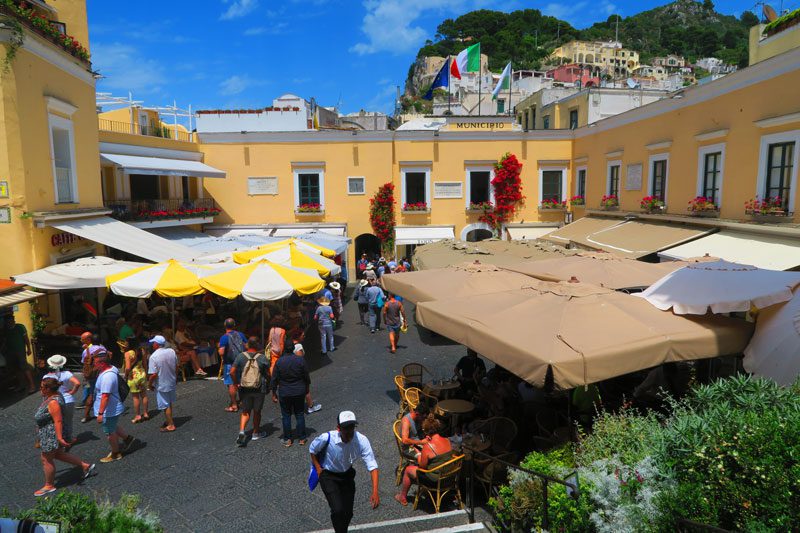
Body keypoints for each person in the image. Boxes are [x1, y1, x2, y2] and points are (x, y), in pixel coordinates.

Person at [310, 411, 380, 532]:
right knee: (337, 510)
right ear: (338, 428)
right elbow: (312, 449)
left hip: (347, 475)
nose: (349, 431)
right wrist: (318, 468)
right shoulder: (327, 438)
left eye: (351, 427)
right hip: (328, 476)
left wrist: (375, 491)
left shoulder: (361, 440)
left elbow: (372, 465)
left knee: (348, 513)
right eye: (345, 428)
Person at [33, 378, 95, 496]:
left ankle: (49, 485)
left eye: (42, 387)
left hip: (50, 435)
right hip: (49, 433)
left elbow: (58, 421)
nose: (40, 389)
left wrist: (60, 438)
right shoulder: (54, 396)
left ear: (48, 389)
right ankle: (85, 466)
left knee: (46, 459)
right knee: (58, 454)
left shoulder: (53, 402)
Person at [395, 414, 453, 506]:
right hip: (450, 476)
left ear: (426, 432)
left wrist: (418, 453)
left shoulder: (428, 446)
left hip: (436, 480)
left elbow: (422, 466)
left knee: (408, 470)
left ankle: (402, 497)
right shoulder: (447, 440)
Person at [93, 348, 135, 462]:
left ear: (102, 363)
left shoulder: (107, 377)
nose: (93, 364)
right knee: (113, 425)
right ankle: (127, 439)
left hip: (109, 409)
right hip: (112, 407)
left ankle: (116, 453)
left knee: (109, 432)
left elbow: (105, 396)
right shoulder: (111, 369)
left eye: (95, 362)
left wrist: (100, 413)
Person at [230, 337, 269, 446]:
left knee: (245, 411)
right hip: (259, 388)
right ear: (257, 345)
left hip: (244, 388)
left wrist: (236, 383)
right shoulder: (262, 358)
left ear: (247, 345)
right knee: (257, 411)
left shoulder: (240, 356)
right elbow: (268, 373)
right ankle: (256, 433)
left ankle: (242, 431)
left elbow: (232, 372)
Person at [270, 342, 310, 447]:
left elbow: (274, 379)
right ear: (293, 349)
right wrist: (307, 388)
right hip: (299, 391)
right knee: (299, 413)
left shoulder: (279, 362)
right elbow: (306, 376)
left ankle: (287, 439)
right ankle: (302, 438)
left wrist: (274, 393)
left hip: (285, 392)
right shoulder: (300, 360)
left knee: (286, 415)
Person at [42, 355, 80, 446]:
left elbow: (43, 392)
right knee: (68, 421)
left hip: (54, 401)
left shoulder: (46, 377)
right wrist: (71, 392)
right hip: (68, 400)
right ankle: (68, 439)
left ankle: (57, 439)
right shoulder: (67, 373)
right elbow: (77, 383)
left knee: (55, 421)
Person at [147, 335, 178, 432]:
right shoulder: (171, 351)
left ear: (156, 344)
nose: (152, 345)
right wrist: (175, 377)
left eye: (153, 343)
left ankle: (171, 424)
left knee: (165, 405)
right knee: (169, 402)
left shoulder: (153, 357)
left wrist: (149, 384)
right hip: (171, 381)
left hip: (161, 383)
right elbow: (177, 366)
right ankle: (169, 420)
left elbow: (153, 374)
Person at [218, 318, 247, 412]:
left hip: (230, 363)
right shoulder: (241, 334)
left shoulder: (224, 337)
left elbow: (221, 352)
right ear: (234, 325)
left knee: (231, 384)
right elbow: (247, 346)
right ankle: (243, 401)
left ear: (224, 326)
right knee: (242, 382)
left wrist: (219, 348)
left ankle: (234, 405)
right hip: (242, 361)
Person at [291, 337, 322, 414]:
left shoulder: (290, 345)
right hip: (299, 371)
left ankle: (295, 406)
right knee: (306, 389)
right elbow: (300, 361)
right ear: (298, 335)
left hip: (292, 369)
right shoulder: (298, 346)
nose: (304, 336)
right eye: (303, 334)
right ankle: (310, 407)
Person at [5, 315, 34, 393]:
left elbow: (26, 339)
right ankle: (22, 385)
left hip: (20, 352)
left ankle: (32, 386)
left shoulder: (20, 327)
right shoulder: (6, 330)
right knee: (16, 370)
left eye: (11, 321)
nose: (10, 323)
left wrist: (28, 348)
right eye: (8, 322)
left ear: (13, 320)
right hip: (11, 353)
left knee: (25, 368)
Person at [123, 337, 149, 424]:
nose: (125, 344)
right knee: (144, 395)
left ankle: (138, 415)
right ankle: (145, 413)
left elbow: (127, 368)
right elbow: (145, 364)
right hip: (142, 374)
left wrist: (126, 376)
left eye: (126, 343)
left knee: (135, 397)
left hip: (133, 376)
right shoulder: (142, 350)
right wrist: (146, 374)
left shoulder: (128, 353)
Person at [80, 336, 100, 423]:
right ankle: (101, 412)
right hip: (101, 373)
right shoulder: (102, 348)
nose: (81, 340)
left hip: (91, 375)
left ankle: (86, 414)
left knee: (90, 393)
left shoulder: (86, 350)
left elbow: (83, 362)